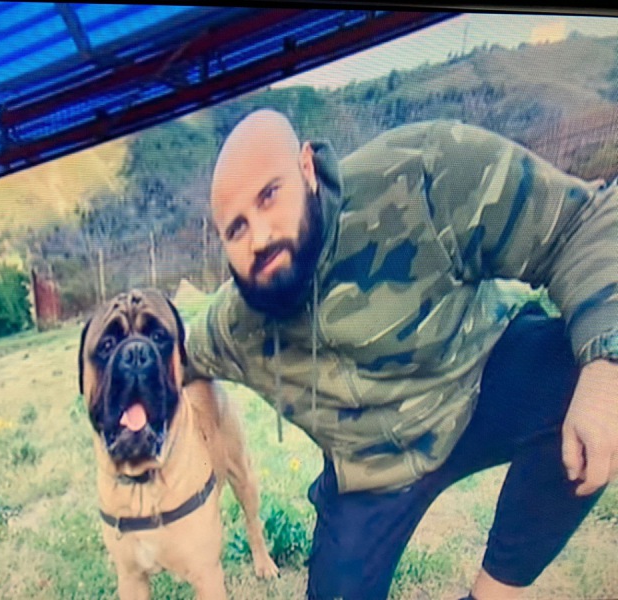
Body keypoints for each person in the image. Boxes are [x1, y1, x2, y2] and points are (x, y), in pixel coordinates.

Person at [183, 109, 618, 600]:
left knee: (589, 367)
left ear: (306, 168)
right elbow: (176, 360)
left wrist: (606, 368)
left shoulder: (423, 170)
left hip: (478, 384)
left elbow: (585, 223)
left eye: (269, 196)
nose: (259, 237)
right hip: (370, 473)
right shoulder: (235, 322)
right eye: (236, 229)